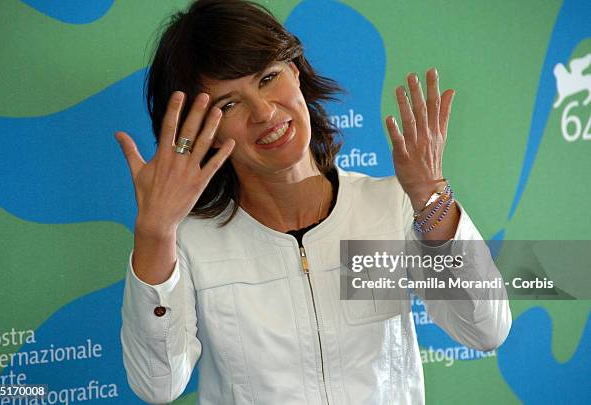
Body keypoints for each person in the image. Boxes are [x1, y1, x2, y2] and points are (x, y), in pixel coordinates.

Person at [116, 0, 511, 404]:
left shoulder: (393, 205)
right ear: (203, 132)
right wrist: (154, 232)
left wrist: (431, 197)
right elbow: (157, 386)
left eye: (268, 77)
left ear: (296, 71)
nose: (265, 112)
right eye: (229, 104)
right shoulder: (188, 241)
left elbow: (485, 329)